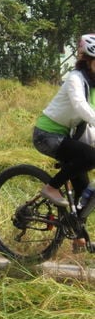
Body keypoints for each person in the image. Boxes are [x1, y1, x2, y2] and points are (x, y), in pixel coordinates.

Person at [32, 34, 95, 208]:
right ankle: (51, 187)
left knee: (84, 198)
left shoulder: (93, 85)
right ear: (87, 61)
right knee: (90, 157)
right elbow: (80, 105)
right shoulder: (76, 79)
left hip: (67, 137)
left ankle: (77, 234)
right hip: (46, 135)